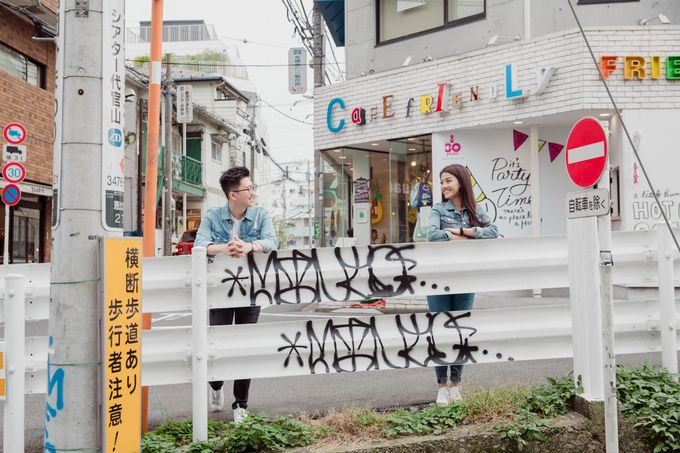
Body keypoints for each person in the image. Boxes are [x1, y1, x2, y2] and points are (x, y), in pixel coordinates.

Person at [195, 166, 277, 423]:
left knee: (244, 347)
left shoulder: (261, 215)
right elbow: (199, 245)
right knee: (215, 345)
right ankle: (216, 386)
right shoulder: (212, 216)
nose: (253, 192)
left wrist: (250, 246)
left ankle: (241, 403)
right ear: (233, 195)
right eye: (248, 188)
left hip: (250, 291)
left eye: (252, 188)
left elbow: (272, 243)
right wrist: (225, 248)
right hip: (218, 291)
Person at [427, 164, 498, 406]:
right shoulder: (438, 209)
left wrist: (459, 230)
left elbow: (494, 232)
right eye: (442, 182)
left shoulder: (476, 209)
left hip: (465, 278)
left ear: (461, 181)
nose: (444, 186)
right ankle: (440, 387)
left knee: (460, 331)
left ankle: (455, 385)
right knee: (440, 330)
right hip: (438, 278)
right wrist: (464, 238)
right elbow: (432, 235)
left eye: (448, 180)